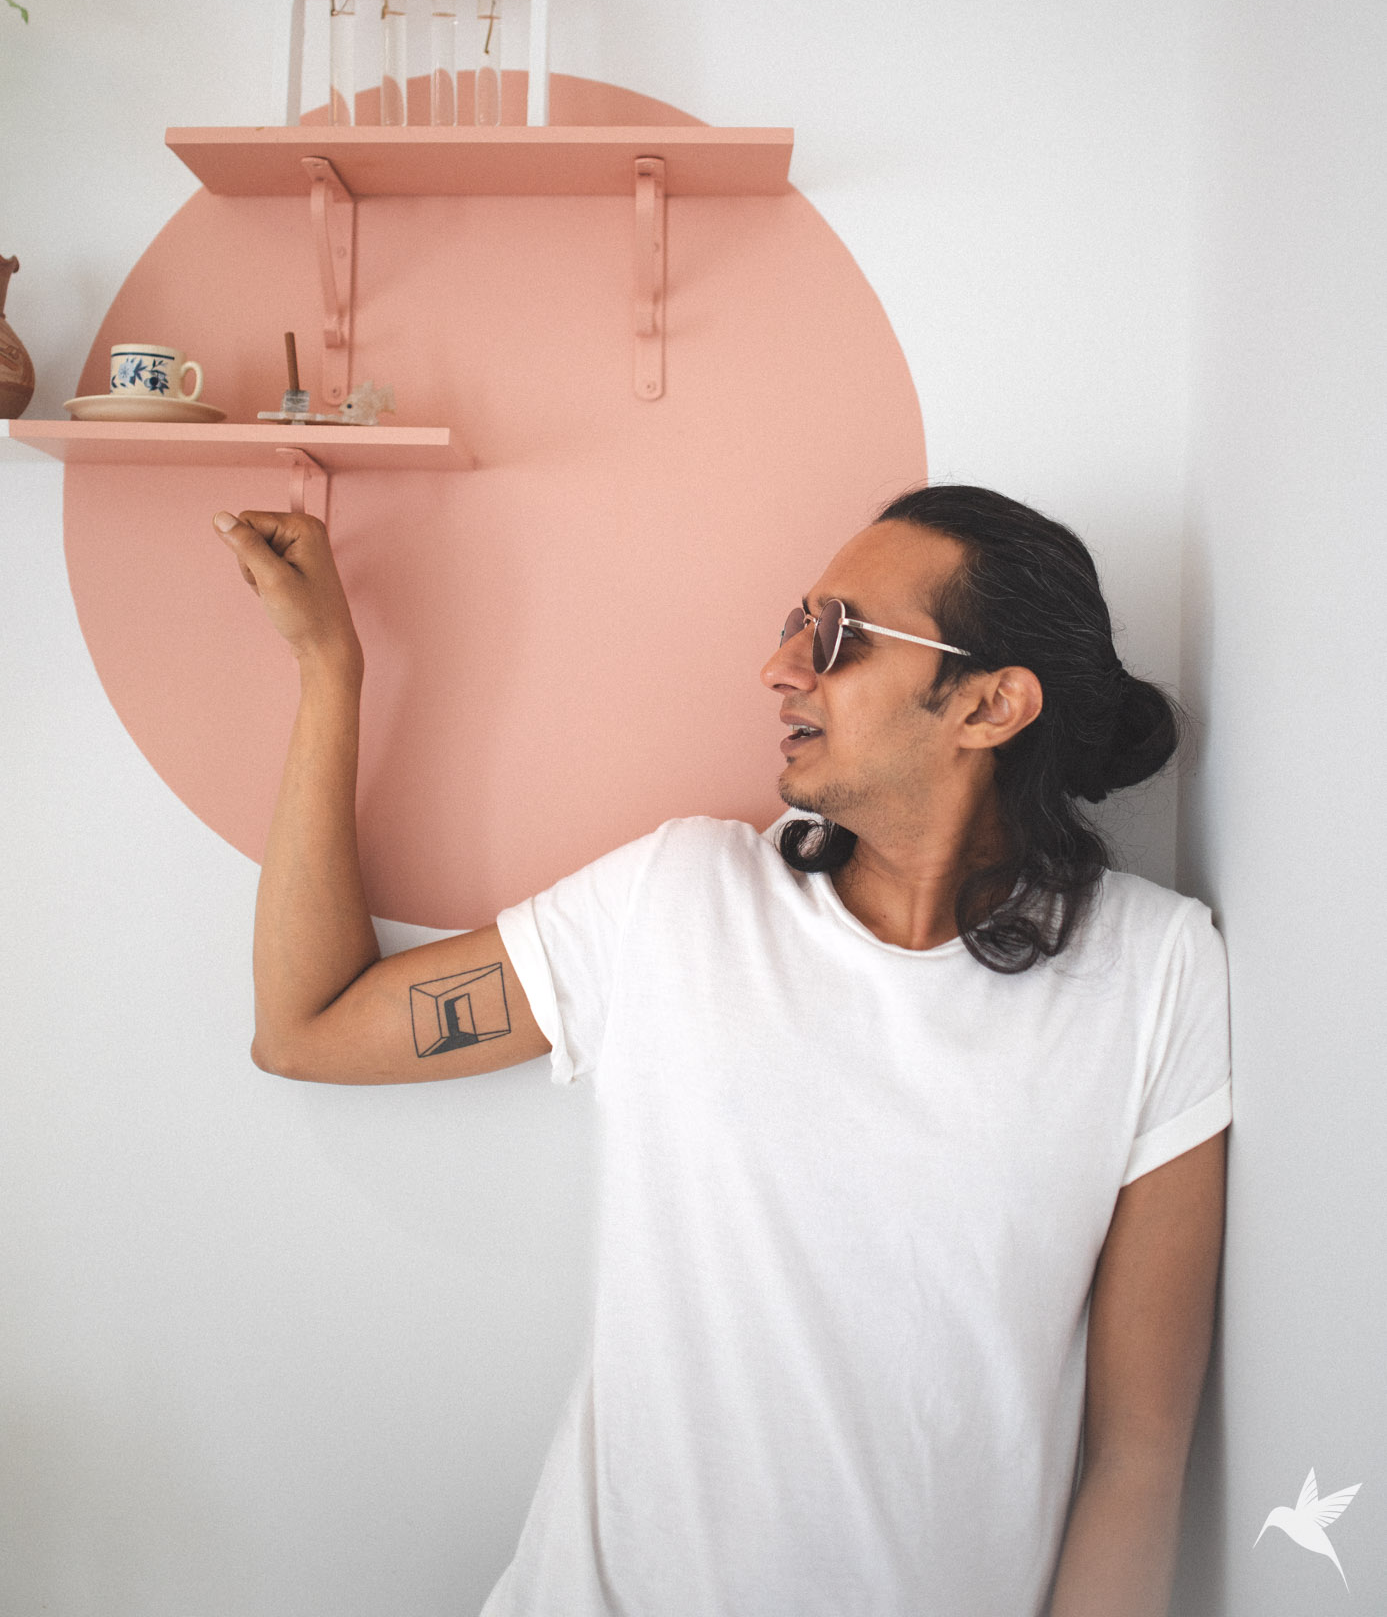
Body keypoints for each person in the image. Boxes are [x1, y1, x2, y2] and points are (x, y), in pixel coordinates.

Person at [213, 482, 1231, 1617]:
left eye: (837, 635)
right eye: (796, 624)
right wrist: (329, 667)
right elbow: (308, 1027)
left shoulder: (1156, 974)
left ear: (990, 706)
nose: (779, 667)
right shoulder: (676, 898)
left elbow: (1139, 1454)